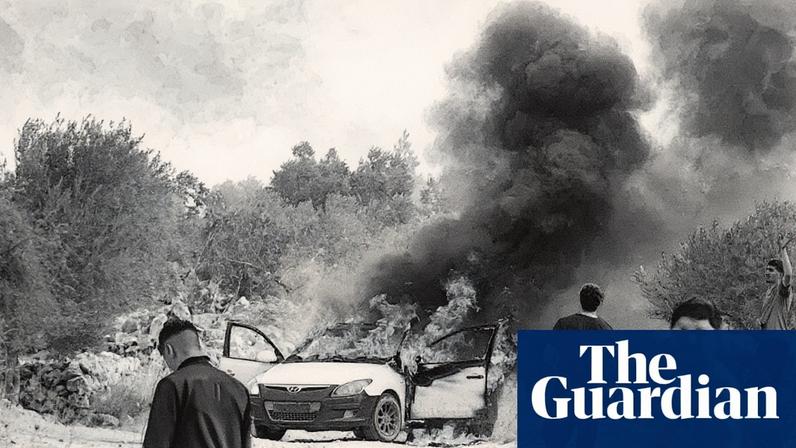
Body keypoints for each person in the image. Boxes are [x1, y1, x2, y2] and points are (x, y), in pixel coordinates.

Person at [144, 318, 251, 448]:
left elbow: (156, 443)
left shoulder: (172, 385)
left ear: (168, 350)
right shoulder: (239, 389)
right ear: (198, 345)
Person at [759, 244, 793, 330]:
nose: (767, 272)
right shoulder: (768, 292)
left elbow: (788, 274)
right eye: (766, 269)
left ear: (780, 274)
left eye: (771, 270)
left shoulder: (781, 290)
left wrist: (783, 249)